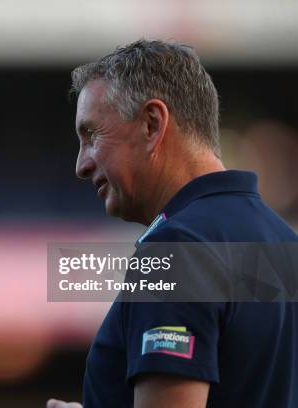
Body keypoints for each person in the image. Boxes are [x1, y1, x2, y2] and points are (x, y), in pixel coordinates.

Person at [48, 40, 298, 407]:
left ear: (152, 124)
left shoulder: (176, 247)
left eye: (92, 135)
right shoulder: (285, 243)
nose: (81, 165)